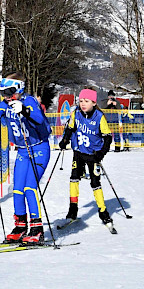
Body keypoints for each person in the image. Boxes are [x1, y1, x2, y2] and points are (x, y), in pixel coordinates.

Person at [0, 73, 52, 245]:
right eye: (3, 92)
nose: (7, 96)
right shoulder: (4, 105)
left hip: (39, 148)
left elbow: (39, 119)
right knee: (17, 190)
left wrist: (24, 110)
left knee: (29, 188)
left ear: (19, 89)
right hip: (23, 151)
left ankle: (37, 228)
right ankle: (20, 226)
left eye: (10, 92)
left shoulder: (29, 101)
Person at [59, 88, 114, 226]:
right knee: (74, 179)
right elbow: (70, 128)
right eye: (81, 101)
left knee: (95, 183)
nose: (83, 103)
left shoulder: (99, 117)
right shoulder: (76, 113)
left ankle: (103, 211)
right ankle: (73, 209)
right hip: (78, 152)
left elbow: (107, 137)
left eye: (87, 101)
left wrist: (101, 153)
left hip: (93, 155)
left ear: (94, 103)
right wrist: (65, 140)